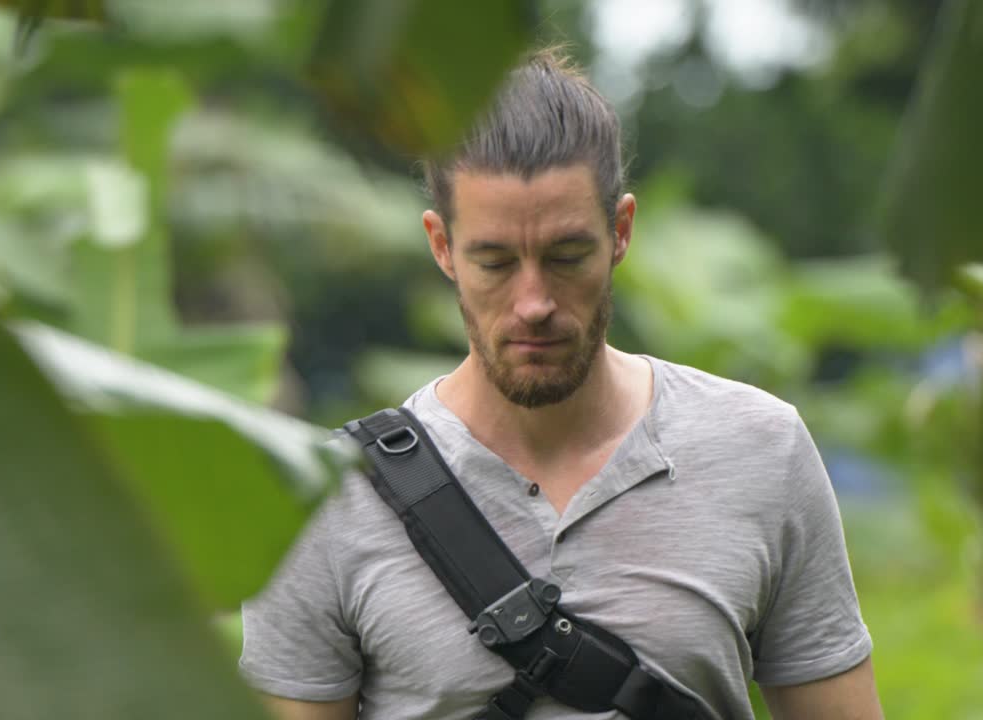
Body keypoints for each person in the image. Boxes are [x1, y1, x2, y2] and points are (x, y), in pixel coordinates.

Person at [239, 48, 883, 720]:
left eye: (566, 255)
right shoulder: (329, 502)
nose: (533, 302)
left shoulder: (760, 448)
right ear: (441, 246)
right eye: (494, 261)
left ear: (621, 231)